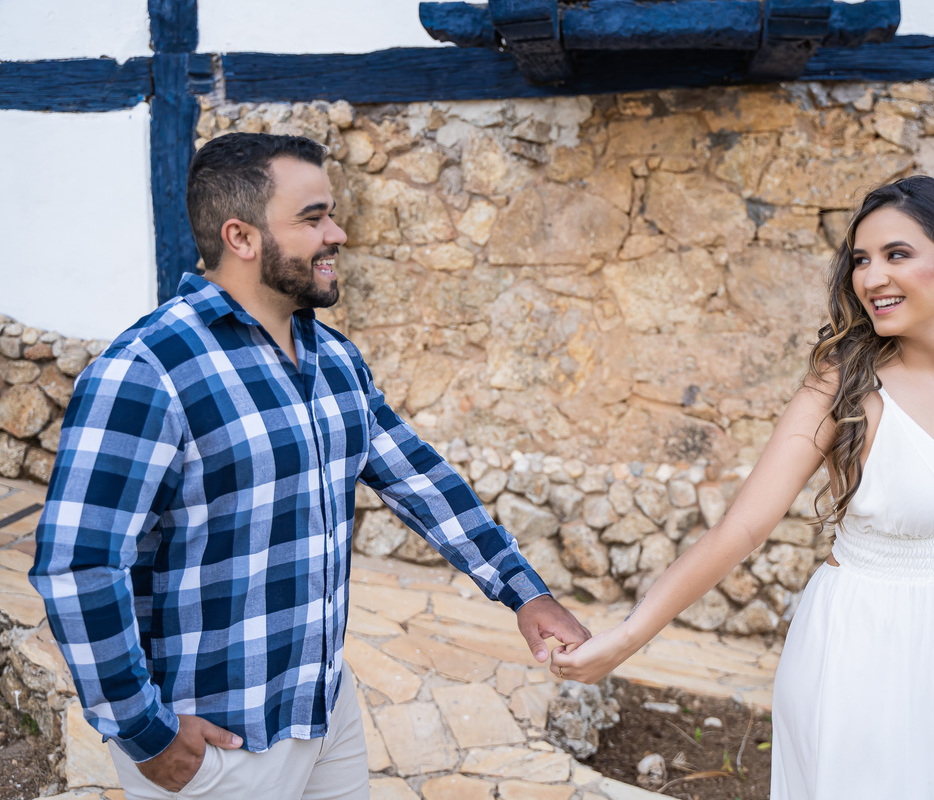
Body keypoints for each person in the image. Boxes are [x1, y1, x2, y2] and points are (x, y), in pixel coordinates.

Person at [30, 132, 590, 800]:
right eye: (314, 217)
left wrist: (523, 591)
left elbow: (420, 480)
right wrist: (142, 732)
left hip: (323, 706)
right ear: (241, 237)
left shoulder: (334, 358)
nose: (339, 233)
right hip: (218, 740)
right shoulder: (147, 371)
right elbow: (78, 565)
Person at [551, 175, 934, 799]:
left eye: (897, 255)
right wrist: (626, 640)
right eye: (861, 260)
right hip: (855, 656)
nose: (871, 277)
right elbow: (741, 528)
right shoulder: (845, 385)